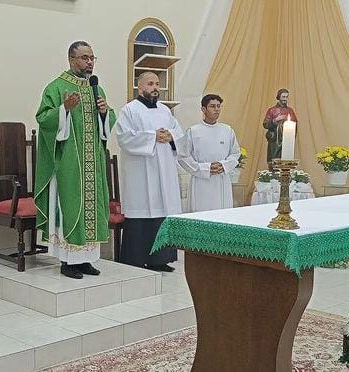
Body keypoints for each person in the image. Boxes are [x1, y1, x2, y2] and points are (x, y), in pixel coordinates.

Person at [35, 41, 116, 279]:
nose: (90, 62)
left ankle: (86, 260)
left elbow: (108, 122)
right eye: (84, 58)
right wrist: (64, 110)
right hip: (69, 163)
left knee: (93, 208)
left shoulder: (96, 89)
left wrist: (105, 113)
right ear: (72, 60)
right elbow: (43, 118)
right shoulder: (57, 87)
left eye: (92, 57)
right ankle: (68, 261)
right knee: (70, 208)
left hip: (94, 163)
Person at [115, 72, 184, 272]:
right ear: (140, 87)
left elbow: (179, 135)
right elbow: (124, 138)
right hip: (140, 174)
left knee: (162, 212)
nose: (155, 87)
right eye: (150, 84)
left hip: (164, 172)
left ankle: (160, 260)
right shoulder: (129, 110)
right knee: (142, 212)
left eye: (157, 84)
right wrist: (152, 136)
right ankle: (136, 260)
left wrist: (170, 136)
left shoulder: (165, 111)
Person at [178, 94, 241, 212]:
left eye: (218, 106)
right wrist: (205, 168)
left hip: (221, 179)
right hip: (201, 180)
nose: (216, 109)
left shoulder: (227, 130)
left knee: (222, 214)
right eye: (212, 106)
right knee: (201, 213)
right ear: (203, 109)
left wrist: (223, 165)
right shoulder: (193, 131)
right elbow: (183, 156)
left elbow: (235, 153)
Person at [262, 88, 298, 168]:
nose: (285, 99)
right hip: (275, 140)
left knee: (285, 160)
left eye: (286, 97)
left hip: (286, 140)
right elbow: (265, 124)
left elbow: (295, 124)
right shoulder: (272, 110)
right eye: (283, 97)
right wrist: (275, 120)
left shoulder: (290, 111)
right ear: (279, 97)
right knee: (274, 160)